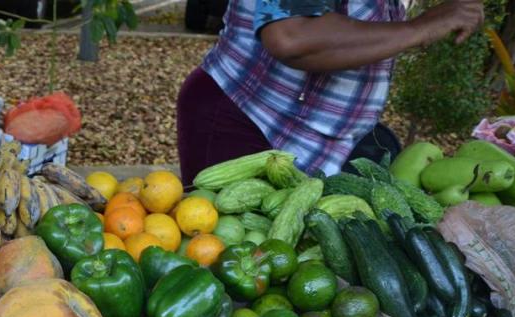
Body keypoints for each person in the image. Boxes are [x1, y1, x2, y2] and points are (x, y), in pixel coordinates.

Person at [177, 0, 486, 183]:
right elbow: (290, 36)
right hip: (248, 124)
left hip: (311, 137)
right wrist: (419, 28)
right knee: (234, 276)